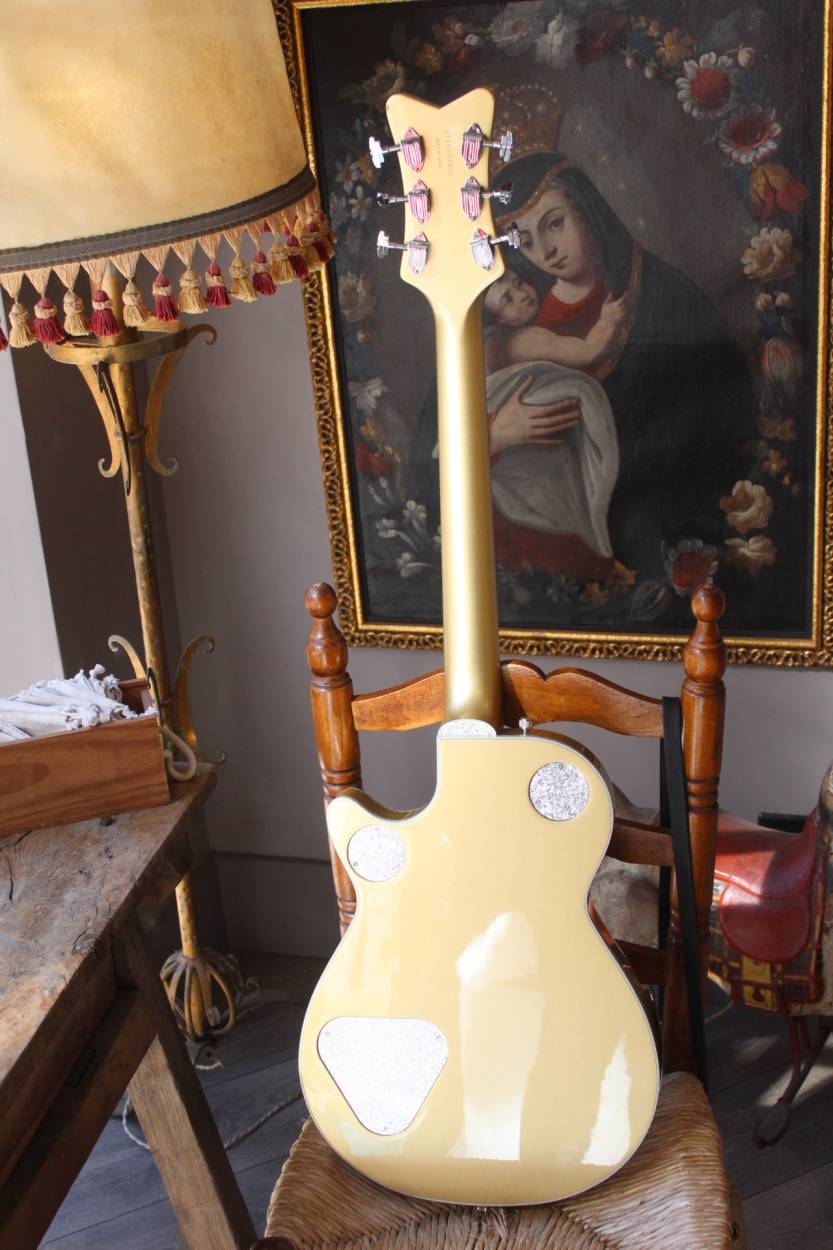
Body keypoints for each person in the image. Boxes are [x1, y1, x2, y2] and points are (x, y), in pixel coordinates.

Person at [407, 151, 757, 604]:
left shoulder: (661, 297)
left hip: (641, 527)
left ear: (588, 212)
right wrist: (493, 436)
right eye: (524, 240)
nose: (546, 251)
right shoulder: (509, 323)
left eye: (555, 224)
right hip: (530, 541)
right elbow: (426, 466)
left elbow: (721, 417)